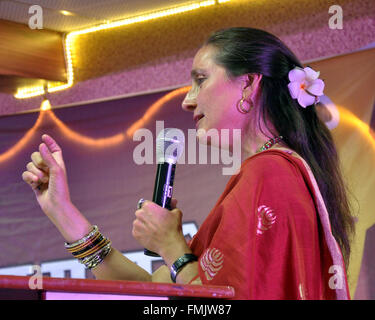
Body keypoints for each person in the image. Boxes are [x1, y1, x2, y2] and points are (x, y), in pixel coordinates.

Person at [22, 27, 355, 299]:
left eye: (200, 79)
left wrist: (172, 246)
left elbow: (217, 304)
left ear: (249, 85)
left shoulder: (268, 173)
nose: (187, 100)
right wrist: (61, 210)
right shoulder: (273, 172)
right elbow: (153, 290)